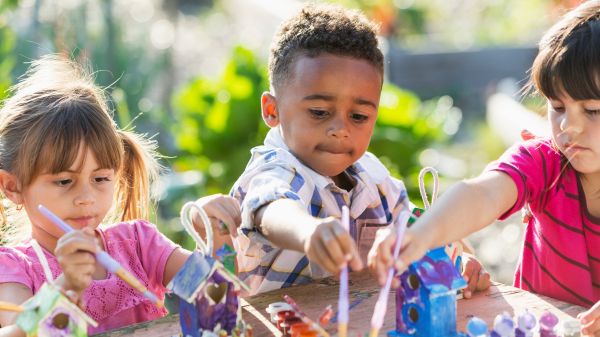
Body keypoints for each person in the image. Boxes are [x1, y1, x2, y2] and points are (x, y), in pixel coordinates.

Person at [368, 1, 600, 335]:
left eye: (592, 110)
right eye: (557, 106)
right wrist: (420, 236)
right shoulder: (545, 162)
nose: (569, 126)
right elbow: (482, 193)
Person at [231, 3, 487, 296]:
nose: (340, 129)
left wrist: (457, 262)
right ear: (272, 110)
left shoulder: (373, 179)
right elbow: (271, 207)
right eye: (318, 111)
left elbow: (413, 230)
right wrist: (307, 232)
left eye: (358, 117)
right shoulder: (274, 169)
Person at [0, 55, 240, 336]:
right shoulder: (15, 268)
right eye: (65, 181)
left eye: (100, 178)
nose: (86, 197)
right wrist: (66, 287)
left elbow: (217, 299)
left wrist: (217, 234)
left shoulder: (138, 244)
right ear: (12, 187)